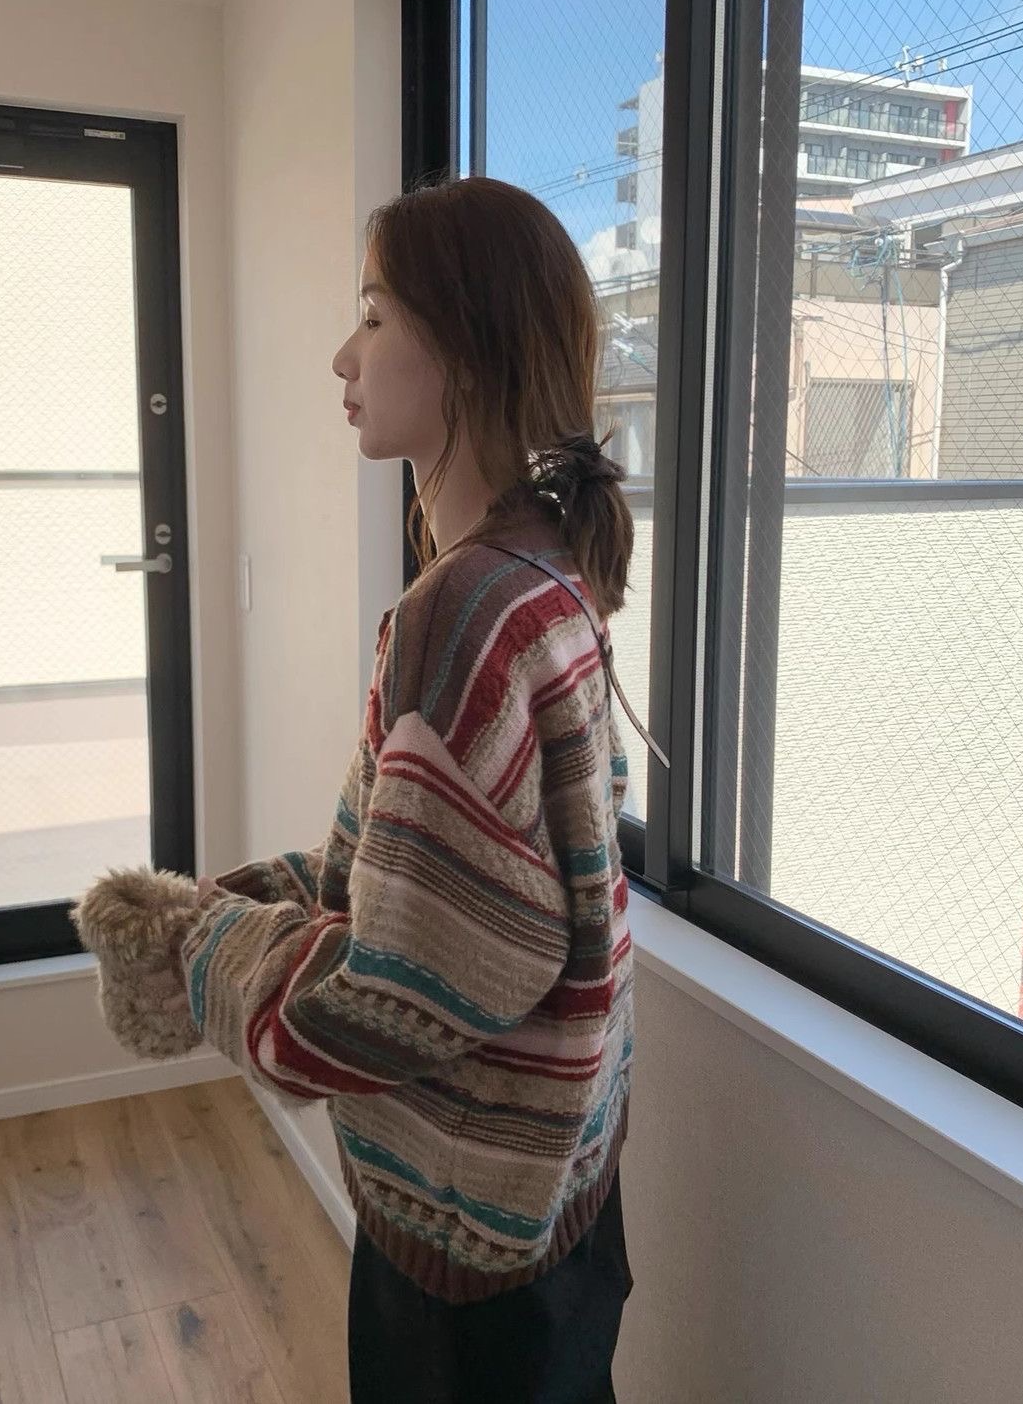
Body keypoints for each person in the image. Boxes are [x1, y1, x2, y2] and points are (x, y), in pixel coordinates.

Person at [187, 175, 637, 1402]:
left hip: (460, 1227)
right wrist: (258, 895)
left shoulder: (461, 608)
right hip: (562, 1182)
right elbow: (461, 884)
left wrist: (202, 953)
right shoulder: (546, 569)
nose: (345, 355)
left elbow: (404, 989)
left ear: (466, 353)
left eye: (375, 315)